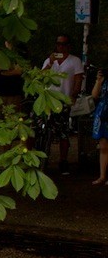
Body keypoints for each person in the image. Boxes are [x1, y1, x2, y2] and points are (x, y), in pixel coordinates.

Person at [41, 34, 85, 175]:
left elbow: (78, 80)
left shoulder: (75, 61)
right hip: (48, 99)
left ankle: (63, 160)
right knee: (43, 128)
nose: (61, 46)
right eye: (58, 44)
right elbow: (40, 77)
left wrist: (73, 95)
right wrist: (50, 63)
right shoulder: (50, 60)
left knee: (63, 132)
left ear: (68, 46)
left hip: (63, 100)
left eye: (64, 44)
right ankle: (41, 158)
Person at [89, 68, 108, 185]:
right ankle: (102, 176)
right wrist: (98, 81)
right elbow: (94, 95)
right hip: (103, 114)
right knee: (103, 147)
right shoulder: (104, 80)